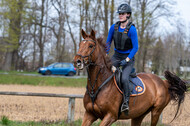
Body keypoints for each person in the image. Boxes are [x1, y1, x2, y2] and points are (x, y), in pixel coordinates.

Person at [106, 3, 138, 112]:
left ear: (128, 15)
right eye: (119, 13)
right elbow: (108, 42)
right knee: (105, 72)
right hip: (116, 56)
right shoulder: (113, 27)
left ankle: (126, 102)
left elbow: (135, 47)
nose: (120, 15)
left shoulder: (132, 29)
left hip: (128, 57)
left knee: (124, 78)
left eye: (122, 14)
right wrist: (106, 54)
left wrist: (127, 60)